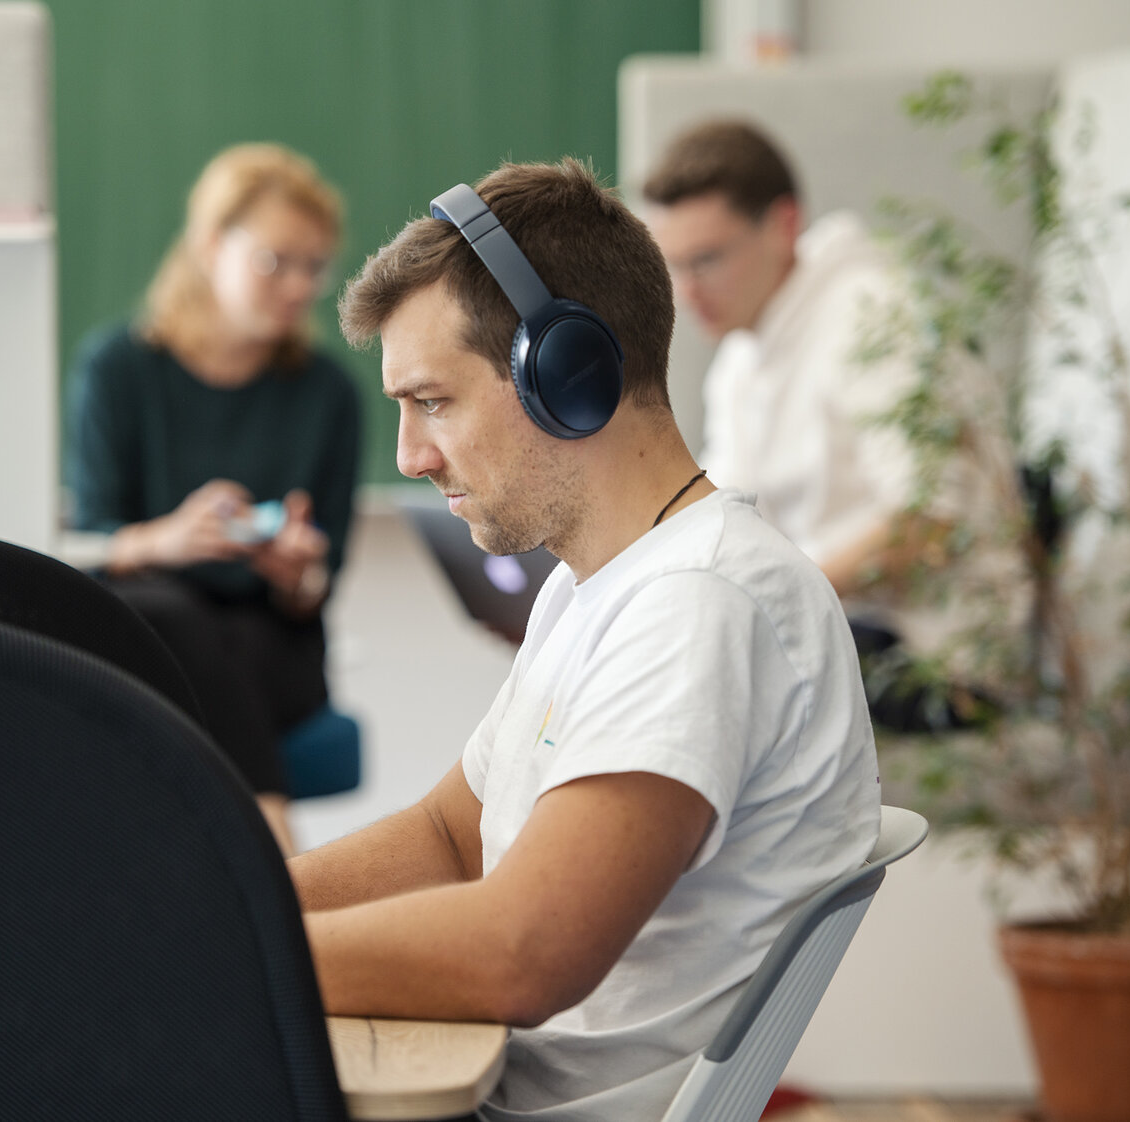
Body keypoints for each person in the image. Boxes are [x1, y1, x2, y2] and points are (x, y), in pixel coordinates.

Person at [289, 158, 879, 1120]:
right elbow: (450, 836)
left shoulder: (703, 603)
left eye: (433, 400)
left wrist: (228, 952)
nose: (409, 455)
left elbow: (525, 952)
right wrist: (226, 899)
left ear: (569, 373)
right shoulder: (599, 585)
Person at [64, 143, 360, 851]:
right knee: (166, 610)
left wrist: (297, 576)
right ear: (208, 247)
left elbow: (320, 585)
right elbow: (88, 545)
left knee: (207, 634)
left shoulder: (328, 394)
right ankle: (277, 850)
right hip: (150, 624)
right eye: (275, 260)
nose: (297, 286)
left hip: (270, 645)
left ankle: (253, 860)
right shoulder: (117, 370)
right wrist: (162, 541)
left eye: (314, 267)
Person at [641, 119, 969, 730]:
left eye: (707, 260)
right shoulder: (743, 352)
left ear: (784, 225)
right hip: (840, 624)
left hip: (930, 656)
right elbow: (723, 521)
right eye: (675, 266)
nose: (688, 292)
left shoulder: (872, 315)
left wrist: (778, 598)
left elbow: (931, 522)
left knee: (699, 680)